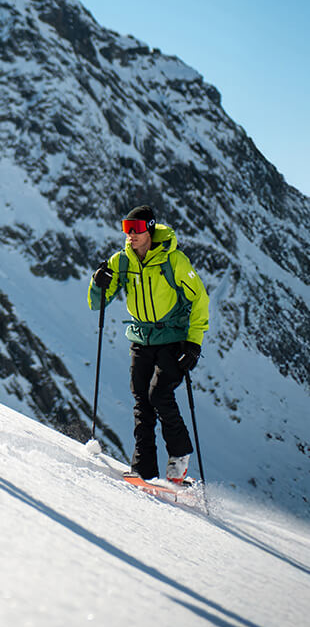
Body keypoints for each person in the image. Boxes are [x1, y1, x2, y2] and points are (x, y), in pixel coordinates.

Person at [88, 205, 209, 482]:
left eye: (136, 229)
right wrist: (98, 283)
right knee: (142, 401)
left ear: (150, 229)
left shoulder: (173, 260)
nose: (130, 235)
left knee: (160, 395)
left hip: (173, 339)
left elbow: (200, 300)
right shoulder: (122, 261)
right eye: (126, 228)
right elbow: (98, 303)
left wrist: (194, 343)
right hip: (141, 339)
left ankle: (179, 457)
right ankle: (144, 470)